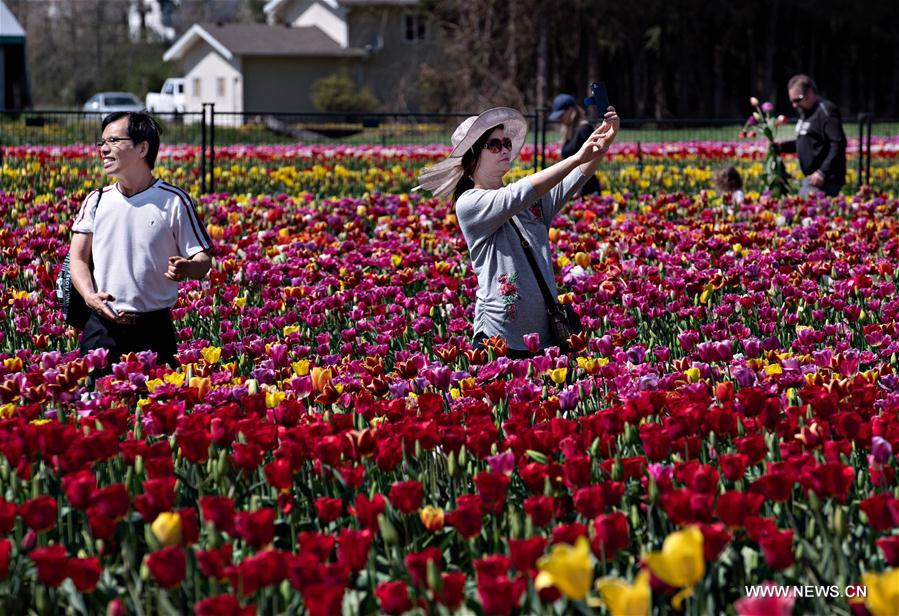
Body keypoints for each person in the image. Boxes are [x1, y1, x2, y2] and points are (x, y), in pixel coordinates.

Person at [417, 106, 619, 357]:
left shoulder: (528, 203)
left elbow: (573, 179)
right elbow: (516, 194)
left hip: (547, 335)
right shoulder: (470, 204)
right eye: (493, 145)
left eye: (506, 142)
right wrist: (577, 156)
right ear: (471, 155)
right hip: (500, 340)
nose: (504, 149)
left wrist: (603, 145)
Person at [70, 111, 213, 371]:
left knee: (158, 408)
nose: (104, 149)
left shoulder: (173, 201)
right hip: (101, 328)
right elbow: (77, 258)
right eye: (102, 142)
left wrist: (187, 268)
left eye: (113, 141)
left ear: (142, 148)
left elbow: (203, 260)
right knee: (94, 407)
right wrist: (90, 296)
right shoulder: (96, 200)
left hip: (153, 329)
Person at [774, 74, 846, 197]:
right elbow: (808, 142)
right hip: (812, 179)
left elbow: (838, 143)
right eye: (792, 101)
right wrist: (781, 147)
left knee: (804, 211)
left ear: (811, 92)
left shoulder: (826, 110)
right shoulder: (806, 113)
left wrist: (822, 172)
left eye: (798, 99)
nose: (794, 105)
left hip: (825, 180)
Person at [548, 93, 602, 195]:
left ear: (571, 110)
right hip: (573, 185)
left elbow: (589, 160)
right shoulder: (570, 131)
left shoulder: (584, 129)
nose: (559, 119)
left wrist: (579, 186)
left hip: (585, 188)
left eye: (561, 115)